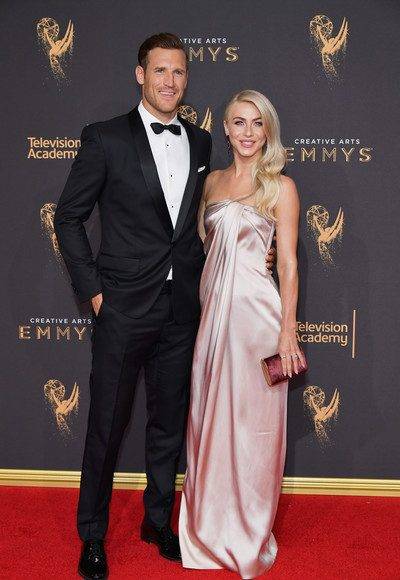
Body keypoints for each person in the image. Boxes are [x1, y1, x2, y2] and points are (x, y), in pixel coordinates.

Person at [179, 90, 304, 579]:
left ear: (267, 130)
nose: (247, 132)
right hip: (212, 319)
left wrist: (288, 331)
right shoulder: (211, 183)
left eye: (256, 123)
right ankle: (208, 527)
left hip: (258, 322)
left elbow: (288, 263)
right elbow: (205, 248)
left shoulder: (282, 188)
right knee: (208, 419)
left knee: (254, 432)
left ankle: (248, 531)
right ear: (226, 129)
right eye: (238, 122)